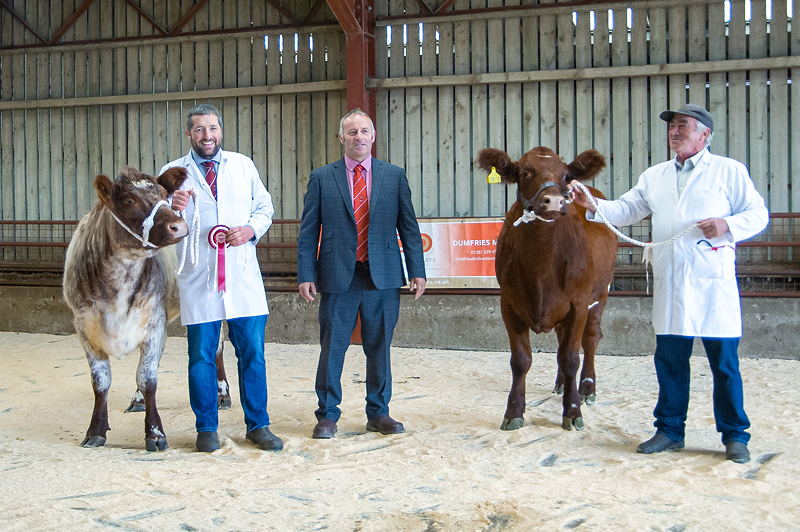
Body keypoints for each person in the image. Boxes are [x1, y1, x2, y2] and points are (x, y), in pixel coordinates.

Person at [571, 103, 768, 464]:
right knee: (670, 361)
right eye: (672, 127)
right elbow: (626, 210)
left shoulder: (728, 171)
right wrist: (593, 204)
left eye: (684, 126)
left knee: (724, 365)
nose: (675, 132)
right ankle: (670, 430)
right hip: (672, 282)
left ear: (705, 135)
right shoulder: (655, 175)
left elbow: (758, 214)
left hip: (713, 284)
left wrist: (727, 226)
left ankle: (735, 435)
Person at [297, 109, 427, 439]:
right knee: (333, 347)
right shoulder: (322, 178)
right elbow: (309, 231)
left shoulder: (394, 176)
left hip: (382, 275)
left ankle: (378, 413)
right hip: (338, 276)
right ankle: (327, 415)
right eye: (352, 132)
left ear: (373, 136)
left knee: (379, 346)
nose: (359, 137)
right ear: (342, 138)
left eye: (364, 131)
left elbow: (409, 228)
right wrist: (305, 274)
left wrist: (417, 271)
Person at [162, 103, 283, 453]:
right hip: (199, 274)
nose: (207, 135)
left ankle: (258, 425)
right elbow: (160, 223)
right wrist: (174, 205)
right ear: (189, 133)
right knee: (200, 354)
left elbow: (264, 208)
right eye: (199, 129)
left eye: (212, 128)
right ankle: (206, 428)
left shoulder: (242, 165)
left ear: (221, 131)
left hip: (242, 274)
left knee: (252, 353)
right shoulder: (172, 172)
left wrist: (249, 230)